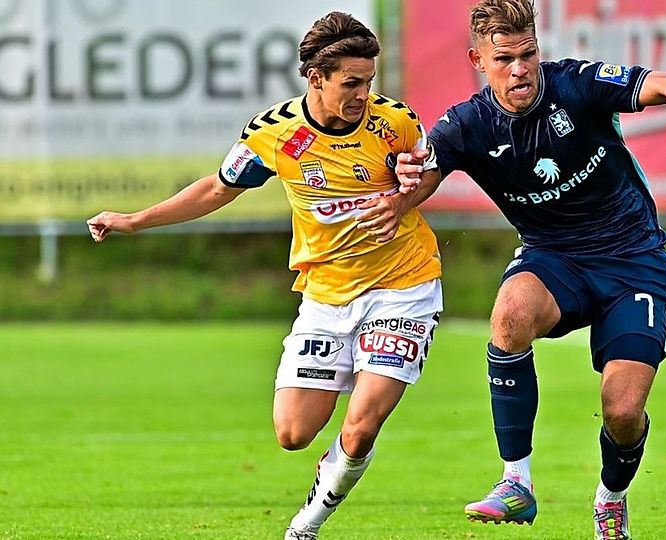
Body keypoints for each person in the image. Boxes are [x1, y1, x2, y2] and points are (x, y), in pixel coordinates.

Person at [388, 1, 666, 538]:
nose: (520, 69)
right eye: (504, 58)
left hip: (635, 262)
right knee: (510, 312)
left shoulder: (577, 85)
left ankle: (611, 498)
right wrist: (401, 189)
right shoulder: (466, 126)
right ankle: (516, 483)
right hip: (554, 259)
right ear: (477, 60)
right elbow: (422, 177)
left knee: (622, 411)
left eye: (528, 54)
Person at [86, 12, 442, 540]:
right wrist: (136, 220)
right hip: (326, 294)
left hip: (403, 286)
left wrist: (408, 194)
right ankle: (332, 451)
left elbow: (428, 172)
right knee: (293, 433)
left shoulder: (396, 122)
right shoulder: (275, 134)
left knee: (362, 424)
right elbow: (217, 188)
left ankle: (308, 523)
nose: (364, 94)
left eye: (369, 81)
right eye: (352, 82)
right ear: (316, 79)